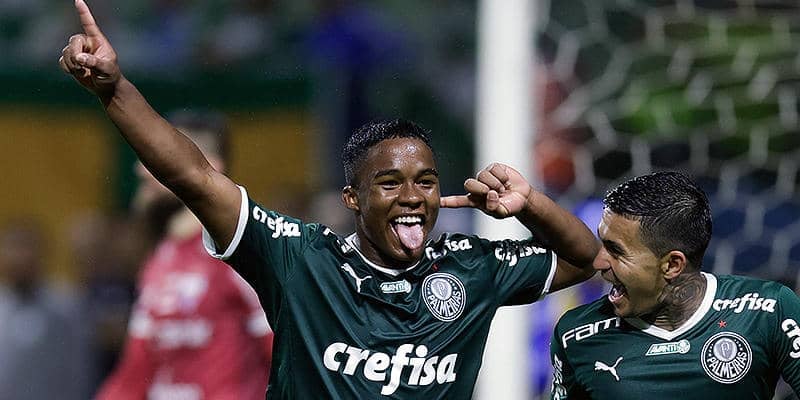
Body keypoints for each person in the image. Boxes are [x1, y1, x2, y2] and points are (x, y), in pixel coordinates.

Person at [60, 1, 599, 397]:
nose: (412, 197)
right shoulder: (303, 260)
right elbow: (196, 178)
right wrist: (114, 90)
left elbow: (585, 258)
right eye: (389, 184)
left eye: (426, 181)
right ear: (352, 199)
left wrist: (530, 203)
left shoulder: (471, 267)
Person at [549, 171, 800, 399]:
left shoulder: (767, 311)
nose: (598, 262)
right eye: (602, 243)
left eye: (616, 251)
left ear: (672, 265)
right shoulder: (576, 335)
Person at [93, 110, 273, 400]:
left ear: (207, 167)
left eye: (156, 156)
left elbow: (290, 357)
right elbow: (133, 376)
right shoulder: (160, 258)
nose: (141, 169)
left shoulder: (241, 253)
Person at [0, 218, 93, 400]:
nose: (20, 257)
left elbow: (80, 368)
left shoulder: (67, 305)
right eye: (13, 248)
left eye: (27, 247)